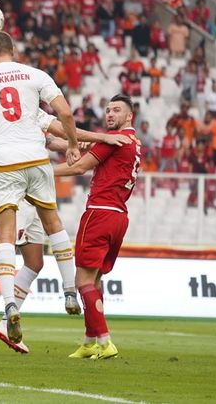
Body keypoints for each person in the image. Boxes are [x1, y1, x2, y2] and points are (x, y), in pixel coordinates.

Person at [0, 109, 131, 352]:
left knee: (35, 262)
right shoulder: (5, 114)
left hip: (36, 192)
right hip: (16, 192)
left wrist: (74, 144)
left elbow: (50, 140)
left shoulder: (32, 108)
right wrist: (84, 142)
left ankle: (6, 324)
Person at [0, 31, 81, 344]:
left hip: (3, 162)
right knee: (53, 222)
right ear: (13, 50)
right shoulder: (35, 75)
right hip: (36, 157)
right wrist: (72, 144)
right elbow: (66, 112)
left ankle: (10, 304)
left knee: (5, 235)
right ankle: (70, 293)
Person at [53, 94, 142, 360]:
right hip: (118, 216)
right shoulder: (133, 142)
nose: (110, 114)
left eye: (117, 110)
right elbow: (78, 147)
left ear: (129, 116)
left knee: (82, 280)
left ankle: (104, 340)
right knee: (95, 280)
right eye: (108, 110)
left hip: (100, 213)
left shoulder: (115, 141)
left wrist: (38, 171)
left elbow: (79, 167)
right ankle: (90, 340)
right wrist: (59, 143)